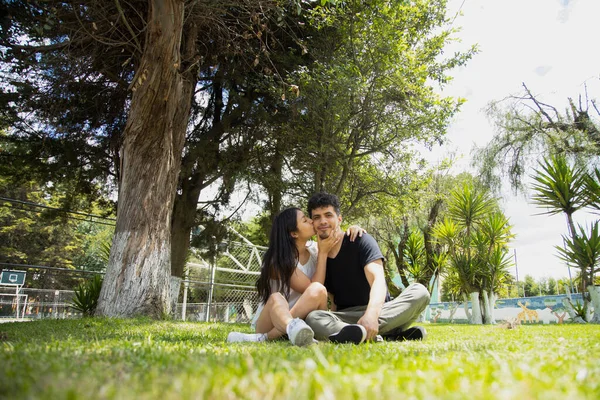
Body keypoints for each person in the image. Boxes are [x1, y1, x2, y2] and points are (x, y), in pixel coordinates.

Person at [305, 192, 431, 345]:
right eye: (317, 217)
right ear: (312, 222)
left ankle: (362, 333)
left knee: (420, 292)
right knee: (313, 318)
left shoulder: (360, 240)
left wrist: (371, 314)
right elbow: (329, 297)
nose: (323, 221)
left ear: (339, 219)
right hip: (348, 316)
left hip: (380, 309)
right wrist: (323, 254)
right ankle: (386, 333)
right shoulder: (316, 255)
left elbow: (378, 279)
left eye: (328, 215)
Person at [227, 207, 363, 346]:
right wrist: (323, 254)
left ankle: (299, 332)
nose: (311, 221)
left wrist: (353, 230)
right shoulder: (277, 261)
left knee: (319, 291)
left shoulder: (315, 249)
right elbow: (310, 289)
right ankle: (272, 334)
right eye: (305, 220)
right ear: (294, 233)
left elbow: (338, 242)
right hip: (270, 323)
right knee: (278, 297)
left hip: (305, 325)